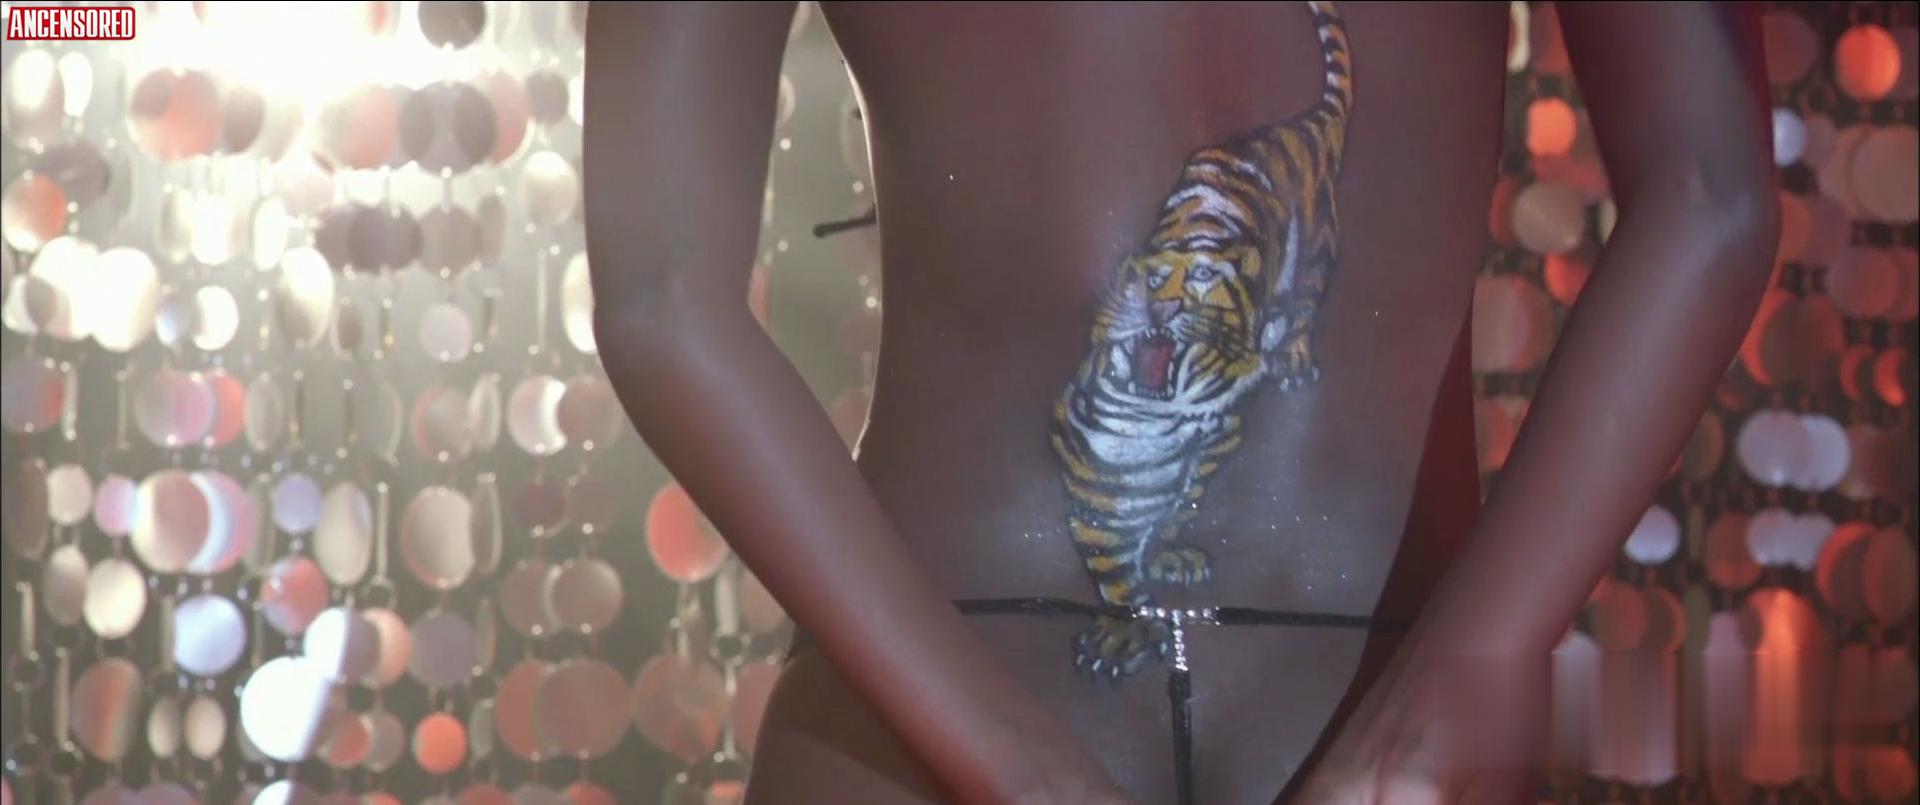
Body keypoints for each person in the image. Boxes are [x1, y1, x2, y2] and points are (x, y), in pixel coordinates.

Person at [581, 2, 1778, 803]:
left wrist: (1020, 768)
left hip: (926, 718)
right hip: (1388, 694)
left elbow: (664, 299)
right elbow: (1711, 194)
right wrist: (1421, 735)